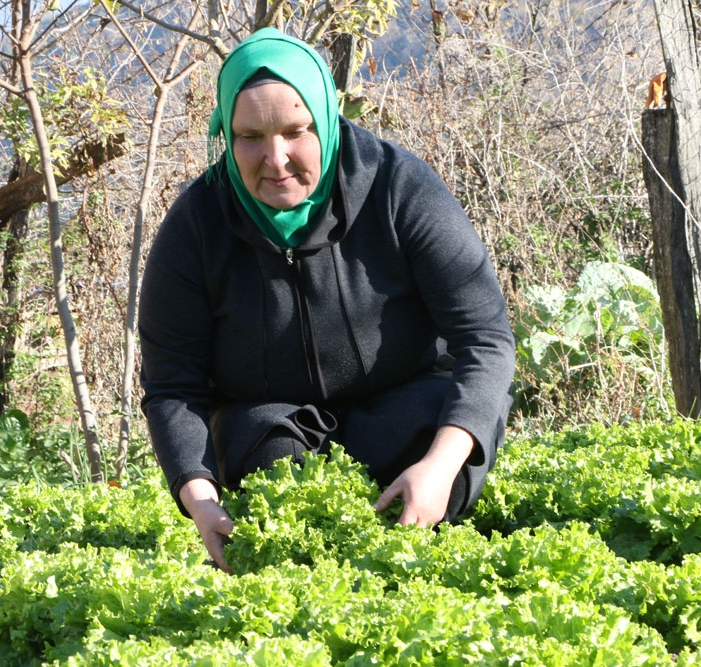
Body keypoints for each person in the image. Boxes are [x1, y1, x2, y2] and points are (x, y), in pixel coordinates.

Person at [138, 28, 515, 573]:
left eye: (297, 131)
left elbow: (485, 338)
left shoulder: (399, 187)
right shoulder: (197, 224)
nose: (276, 158)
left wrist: (440, 464)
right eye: (250, 136)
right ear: (225, 133)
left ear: (326, 120)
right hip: (272, 427)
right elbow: (173, 385)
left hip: (404, 407)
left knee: (441, 448)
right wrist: (198, 497)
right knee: (270, 462)